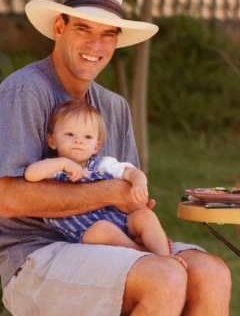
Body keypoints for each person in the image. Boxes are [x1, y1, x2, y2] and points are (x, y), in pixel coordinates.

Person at [0, 0, 235, 316]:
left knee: (212, 272)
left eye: (109, 34)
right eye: (85, 28)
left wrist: (143, 217)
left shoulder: (114, 107)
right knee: (165, 275)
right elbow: (6, 197)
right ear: (58, 27)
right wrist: (108, 195)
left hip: (108, 243)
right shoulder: (24, 91)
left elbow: (125, 197)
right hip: (30, 256)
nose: (97, 45)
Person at [26, 99, 184, 268]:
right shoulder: (53, 169)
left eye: (87, 136)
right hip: (85, 233)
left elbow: (131, 172)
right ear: (52, 140)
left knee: (145, 217)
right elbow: (30, 174)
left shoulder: (102, 164)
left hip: (119, 220)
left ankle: (164, 256)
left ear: (96, 146)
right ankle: (144, 252)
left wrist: (139, 183)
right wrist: (63, 163)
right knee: (102, 229)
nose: (78, 141)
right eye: (69, 134)